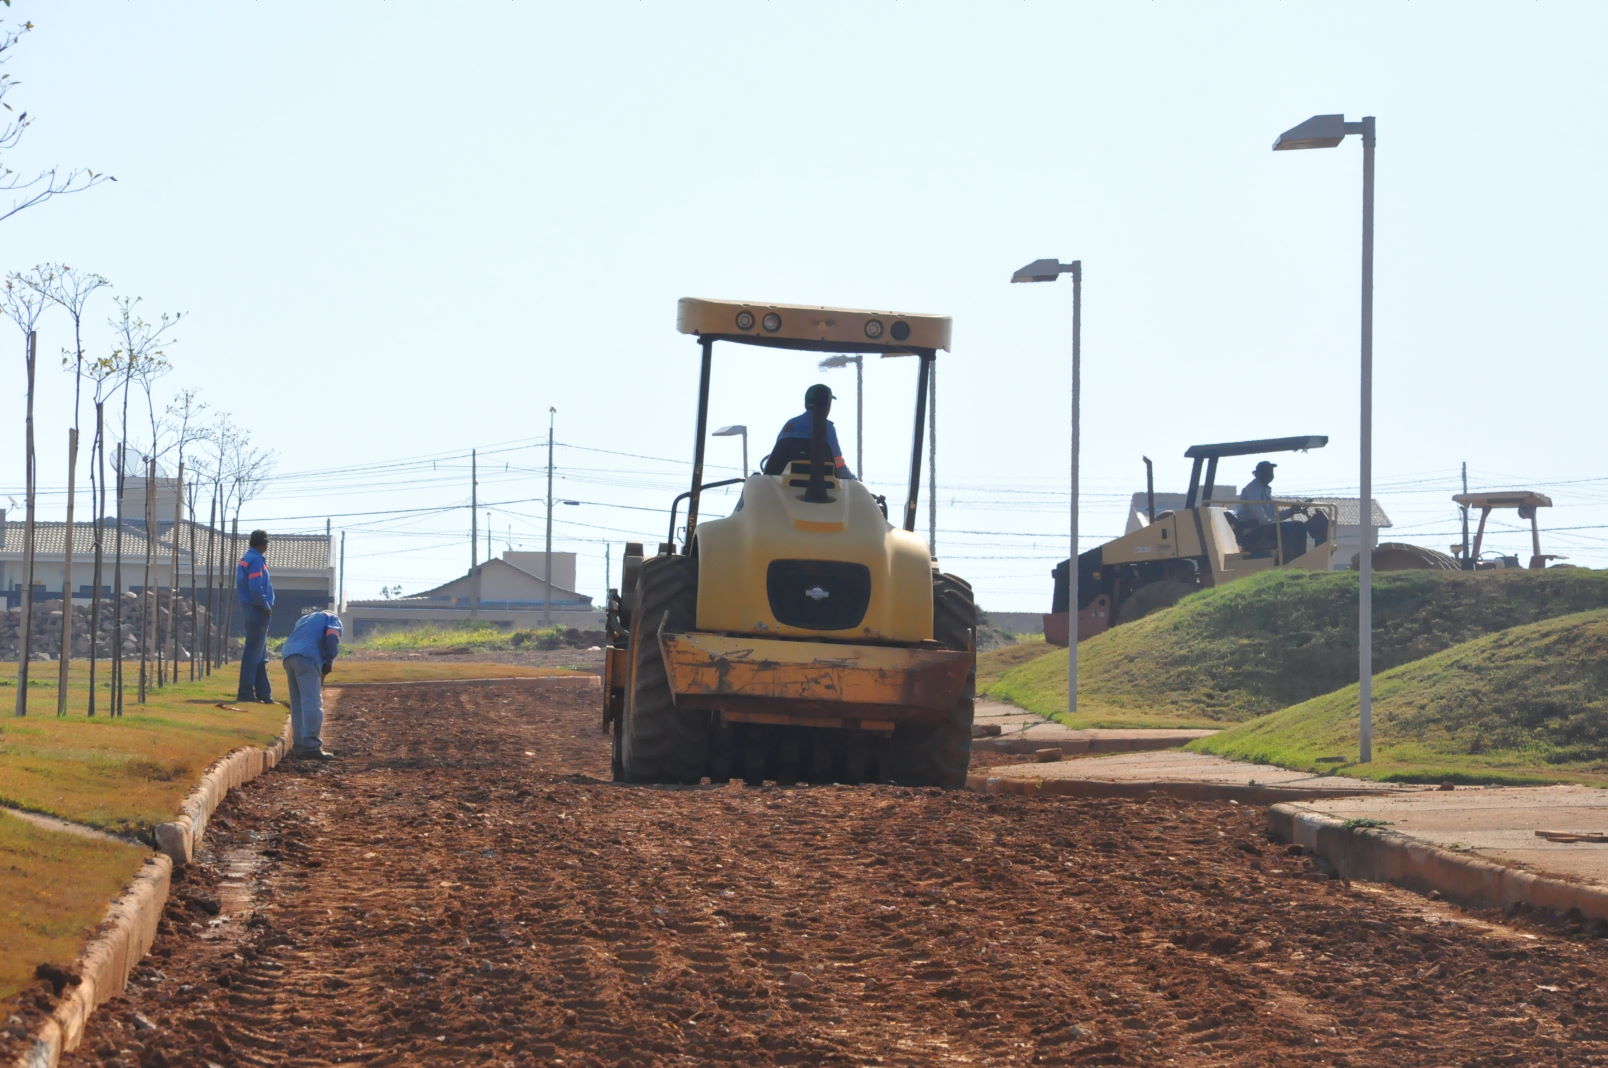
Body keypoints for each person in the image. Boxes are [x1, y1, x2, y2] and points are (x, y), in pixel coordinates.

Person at [281, 607, 343, 761]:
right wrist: (329, 660)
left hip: (289, 655)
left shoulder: (303, 620)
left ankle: (300, 744)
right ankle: (311, 745)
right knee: (312, 701)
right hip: (308, 656)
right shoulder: (332, 619)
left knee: (297, 703)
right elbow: (332, 639)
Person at [764, 383, 856, 479]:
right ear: (827, 405)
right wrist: (853, 480)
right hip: (823, 487)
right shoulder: (828, 428)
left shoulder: (790, 424)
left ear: (805, 403)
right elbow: (839, 465)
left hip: (784, 486)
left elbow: (775, 458)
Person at [1232, 460, 1317, 559]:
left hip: (1261, 527)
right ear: (1259, 474)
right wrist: (1272, 524)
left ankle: (1295, 559)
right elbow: (1257, 512)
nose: (1271, 475)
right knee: (1295, 527)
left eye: (1271, 472)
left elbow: (1273, 516)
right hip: (1252, 530)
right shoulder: (1253, 489)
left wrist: (1291, 511)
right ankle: (1288, 560)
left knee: (1298, 526)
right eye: (1268, 472)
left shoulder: (1264, 489)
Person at [235, 529, 275, 703]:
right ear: (263, 543)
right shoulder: (256, 560)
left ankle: (264, 694)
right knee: (253, 653)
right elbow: (255, 587)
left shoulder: (246, 558)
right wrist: (265, 605)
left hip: (250, 608)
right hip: (257, 609)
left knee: (259, 653)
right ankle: (245, 692)